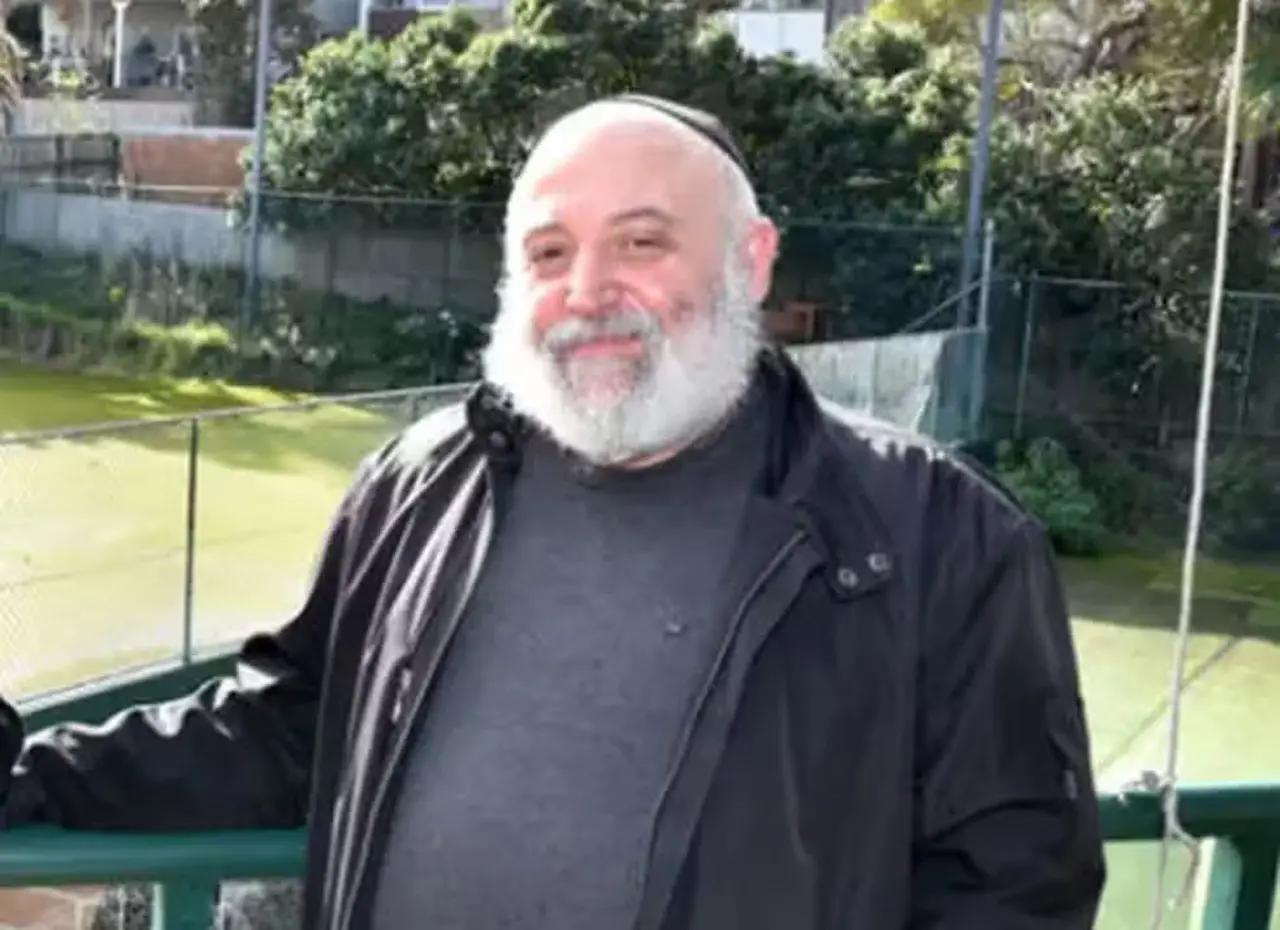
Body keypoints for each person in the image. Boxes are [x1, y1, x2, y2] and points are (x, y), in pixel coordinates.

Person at [0, 94, 1106, 930]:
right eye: (548, 252)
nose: (587, 291)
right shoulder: (417, 482)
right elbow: (285, 731)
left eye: (641, 242)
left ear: (751, 260)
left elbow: (1014, 885)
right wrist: (30, 776)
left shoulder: (938, 536)